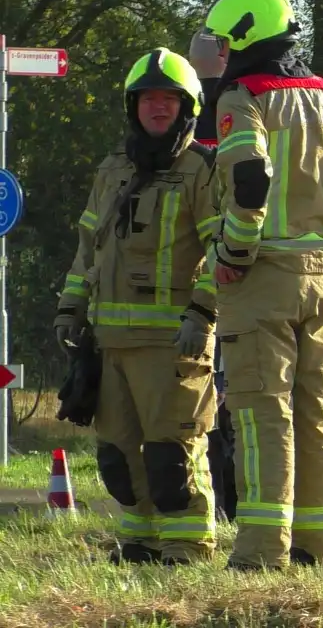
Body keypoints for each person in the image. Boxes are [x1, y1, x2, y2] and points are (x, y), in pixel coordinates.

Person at [202, 0, 323, 570]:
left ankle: (261, 551)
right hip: (320, 281)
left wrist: (234, 250)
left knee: (262, 414)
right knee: (312, 414)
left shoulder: (242, 100)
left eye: (226, 43)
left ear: (245, 36)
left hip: (261, 278)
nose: (222, 54)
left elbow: (249, 178)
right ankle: (316, 543)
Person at [53, 48, 221, 565]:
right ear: (133, 106)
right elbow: (89, 246)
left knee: (173, 454)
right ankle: (140, 543)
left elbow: (226, 250)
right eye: (147, 98)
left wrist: (203, 312)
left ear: (187, 105)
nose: (156, 107)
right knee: (119, 457)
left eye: (167, 99)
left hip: (173, 343)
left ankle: (187, 546)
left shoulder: (203, 169)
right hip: (109, 343)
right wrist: (70, 307)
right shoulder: (112, 169)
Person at [188, 29, 237, 523]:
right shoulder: (244, 105)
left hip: (199, 270)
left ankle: (216, 502)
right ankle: (228, 503)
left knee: (208, 395)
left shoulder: (183, 113)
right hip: (238, 265)